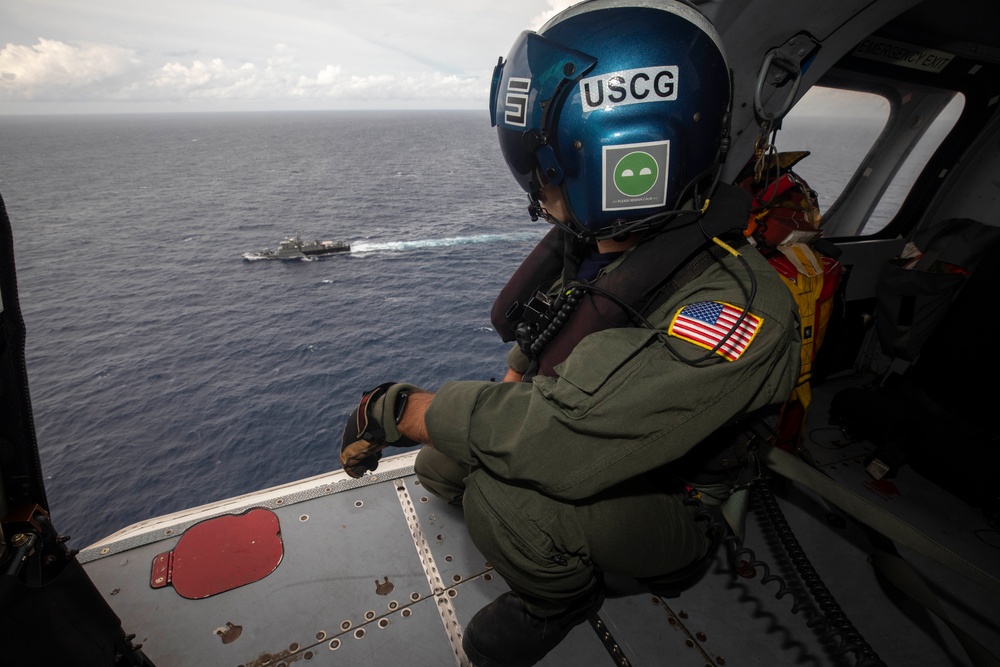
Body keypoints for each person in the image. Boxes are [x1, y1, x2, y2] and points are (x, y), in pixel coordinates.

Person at [340, 1, 802, 665]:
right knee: (444, 465)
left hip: (681, 501)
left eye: (551, 171)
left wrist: (399, 407)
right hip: (599, 440)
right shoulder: (608, 241)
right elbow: (550, 328)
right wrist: (501, 382)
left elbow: (561, 438)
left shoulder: (741, 310)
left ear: (625, 155)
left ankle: (561, 599)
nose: (539, 189)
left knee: (506, 499)